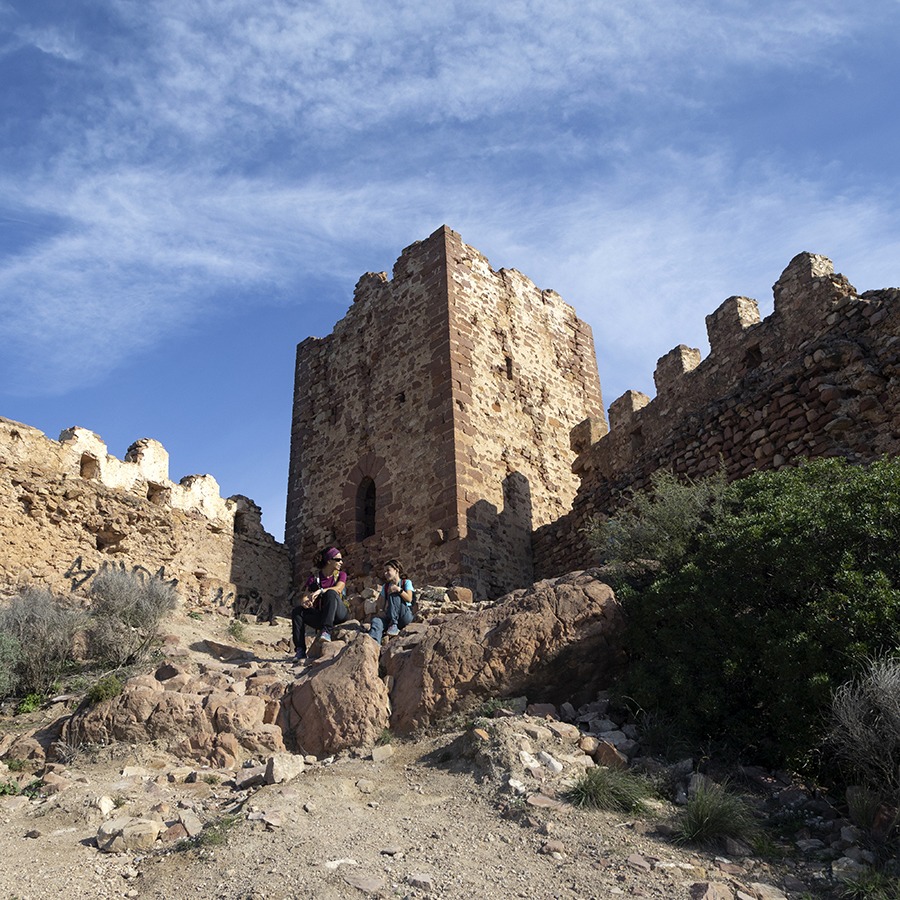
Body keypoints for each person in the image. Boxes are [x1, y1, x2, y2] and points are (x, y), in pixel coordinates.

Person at [291, 546, 348, 660]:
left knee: (331, 593)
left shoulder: (341, 575)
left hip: (338, 614)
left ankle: (326, 631)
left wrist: (321, 591)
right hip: (322, 614)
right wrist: (306, 603)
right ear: (329, 561)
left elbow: (339, 588)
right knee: (297, 612)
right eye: (338, 559)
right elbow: (305, 597)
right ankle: (300, 650)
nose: (341, 562)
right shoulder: (314, 578)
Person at [368, 559, 414, 645]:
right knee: (376, 621)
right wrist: (381, 611)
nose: (385, 573)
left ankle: (394, 624)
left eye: (388, 570)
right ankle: (373, 645)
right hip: (390, 615)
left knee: (394, 593)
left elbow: (409, 599)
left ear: (396, 570)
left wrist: (398, 590)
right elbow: (380, 603)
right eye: (384, 571)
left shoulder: (406, 582)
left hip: (404, 615)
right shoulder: (385, 587)